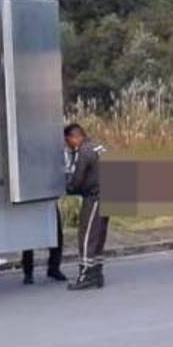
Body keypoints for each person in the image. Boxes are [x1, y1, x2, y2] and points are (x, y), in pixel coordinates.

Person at [63, 123, 109, 291]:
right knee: (99, 237)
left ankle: (86, 276)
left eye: (68, 141)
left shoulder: (84, 151)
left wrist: (69, 188)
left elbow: (77, 179)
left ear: (74, 137)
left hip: (95, 198)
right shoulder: (99, 146)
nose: (68, 145)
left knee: (87, 236)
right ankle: (97, 273)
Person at [21, 206, 66, 284]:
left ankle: (54, 268)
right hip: (30, 200)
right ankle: (28, 272)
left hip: (48, 199)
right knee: (28, 234)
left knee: (56, 233)